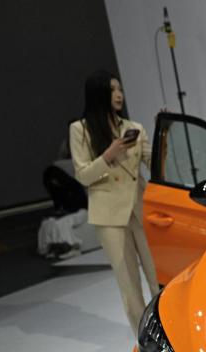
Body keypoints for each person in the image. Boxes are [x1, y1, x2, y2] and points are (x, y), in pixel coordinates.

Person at [69, 70, 158, 336]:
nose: (119, 94)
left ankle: (169, 333)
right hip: (109, 216)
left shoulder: (134, 128)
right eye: (112, 90)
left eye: (119, 89)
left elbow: (155, 165)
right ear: (99, 95)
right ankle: (146, 339)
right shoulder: (80, 130)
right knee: (129, 285)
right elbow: (83, 175)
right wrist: (108, 155)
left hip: (140, 208)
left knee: (158, 278)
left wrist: (163, 132)